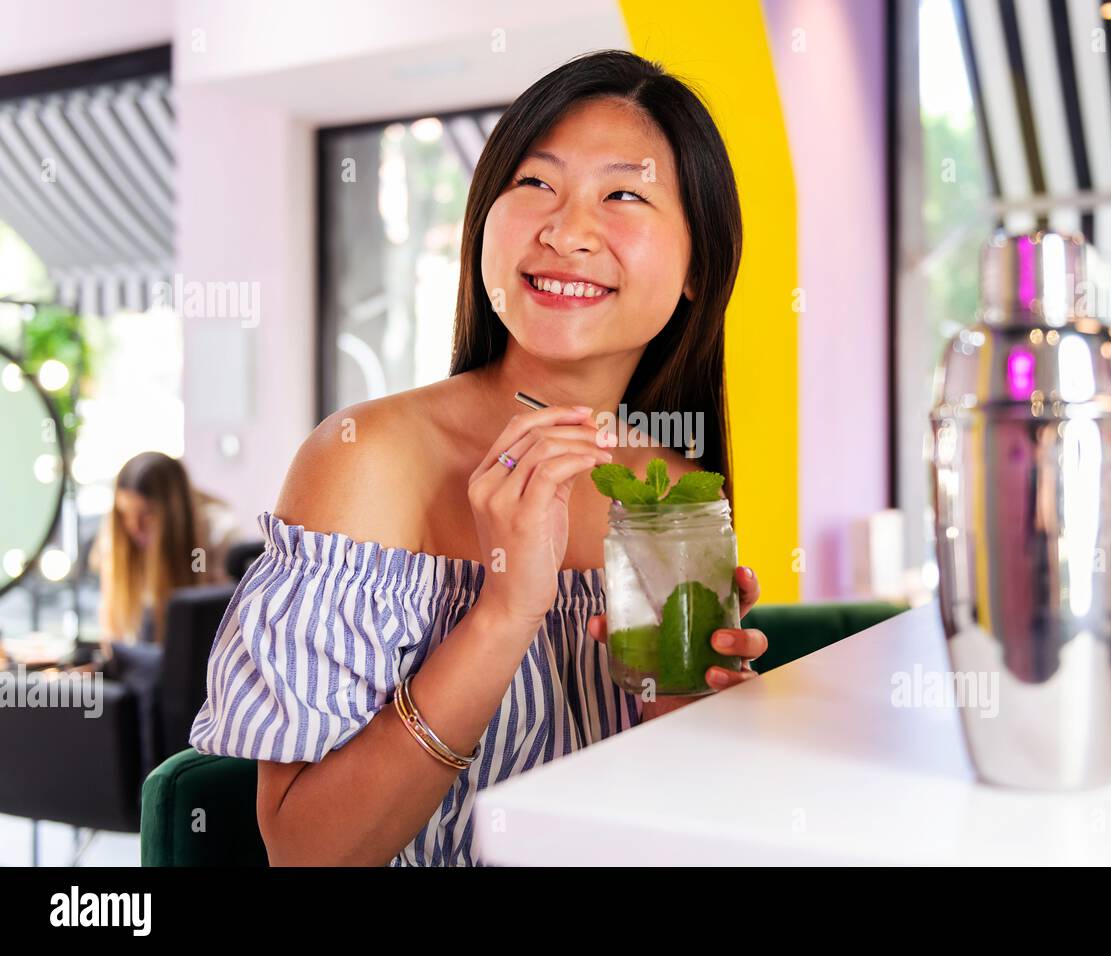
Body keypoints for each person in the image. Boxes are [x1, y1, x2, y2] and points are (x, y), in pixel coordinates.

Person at [189, 49, 770, 867]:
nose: (566, 230)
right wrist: (504, 612)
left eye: (625, 195)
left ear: (697, 271)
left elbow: (676, 831)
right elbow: (305, 852)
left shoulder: (670, 495)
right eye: (535, 184)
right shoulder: (366, 461)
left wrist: (689, 709)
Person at [92, 450, 237, 648]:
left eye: (148, 514)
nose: (134, 527)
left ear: (174, 513)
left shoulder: (213, 539)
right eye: (125, 513)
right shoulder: (118, 541)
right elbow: (111, 632)